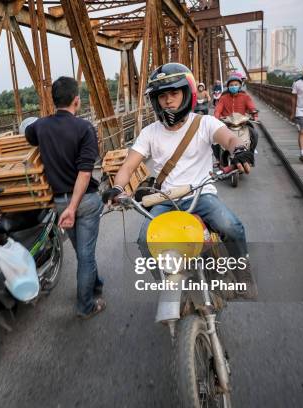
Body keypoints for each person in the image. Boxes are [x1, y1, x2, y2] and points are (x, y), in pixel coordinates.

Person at [101, 63, 258, 299]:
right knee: (145, 240)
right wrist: (116, 188)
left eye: (174, 93)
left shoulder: (204, 123)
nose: (168, 100)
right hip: (166, 199)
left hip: (200, 194)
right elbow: (129, 165)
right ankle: (167, 285)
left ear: (187, 92)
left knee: (230, 226)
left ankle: (243, 275)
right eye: (162, 96)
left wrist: (239, 150)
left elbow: (228, 138)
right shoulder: (150, 132)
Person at [25, 76, 106, 318]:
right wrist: (75, 206)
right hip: (86, 202)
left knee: (83, 251)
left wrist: (68, 207)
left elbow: (27, 133)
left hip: (60, 202)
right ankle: (86, 306)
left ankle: (95, 283)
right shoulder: (84, 129)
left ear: (54, 101)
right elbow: (84, 171)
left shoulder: (40, 126)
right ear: (76, 101)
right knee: (86, 254)